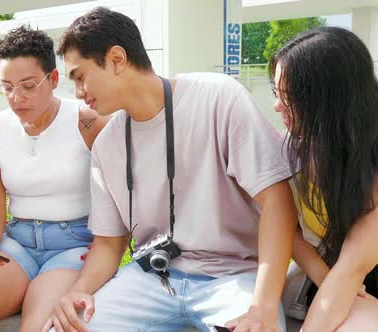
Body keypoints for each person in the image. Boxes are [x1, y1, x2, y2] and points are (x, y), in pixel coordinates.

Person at [44, 7, 299, 332]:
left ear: (117, 59)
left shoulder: (218, 96)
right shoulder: (107, 144)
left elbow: (278, 202)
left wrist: (261, 307)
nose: (78, 92)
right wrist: (78, 291)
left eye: (80, 76)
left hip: (234, 277)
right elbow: (109, 244)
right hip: (151, 276)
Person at [0, 25, 109, 331]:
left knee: (41, 327)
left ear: (53, 79)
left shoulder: (87, 122)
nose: (16, 98)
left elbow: (117, 209)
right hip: (15, 246)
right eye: (6, 87)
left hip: (71, 247)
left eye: (28, 86)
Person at [271, 26, 378, 331]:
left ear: (333, 100)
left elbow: (354, 267)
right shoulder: (291, 146)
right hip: (327, 272)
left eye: (289, 97)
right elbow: (286, 229)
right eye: (277, 94)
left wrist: (332, 281)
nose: (277, 106)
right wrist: (321, 274)